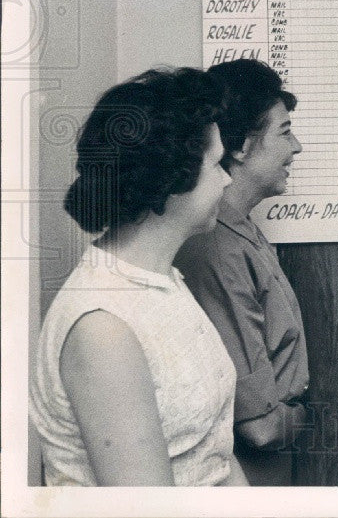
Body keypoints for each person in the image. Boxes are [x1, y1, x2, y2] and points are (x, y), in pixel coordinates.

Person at [29, 68, 247, 486]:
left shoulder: (163, 281)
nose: (227, 178)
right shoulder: (102, 327)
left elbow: (214, 455)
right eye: (218, 163)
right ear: (171, 181)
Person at [174, 59, 308, 486]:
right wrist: (316, 414)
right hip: (246, 474)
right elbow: (260, 427)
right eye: (284, 133)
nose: (297, 147)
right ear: (241, 147)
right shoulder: (216, 249)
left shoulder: (239, 230)